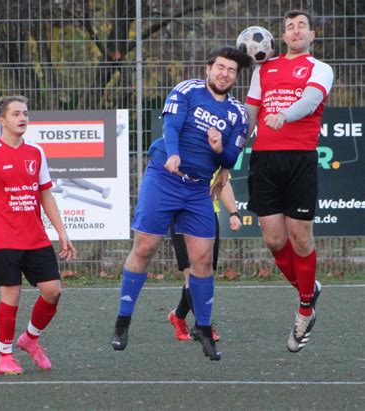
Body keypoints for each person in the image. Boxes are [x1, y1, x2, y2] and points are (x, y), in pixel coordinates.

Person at [110, 47, 252, 361]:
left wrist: (218, 148)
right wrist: (173, 153)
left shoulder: (239, 114)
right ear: (208, 68)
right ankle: (123, 320)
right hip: (164, 177)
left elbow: (230, 158)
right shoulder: (187, 90)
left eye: (231, 70)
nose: (225, 73)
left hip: (199, 189)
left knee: (202, 259)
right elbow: (171, 127)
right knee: (145, 247)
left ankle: (203, 327)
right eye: (220, 67)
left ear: (236, 77)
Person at [0, 95, 76, 375]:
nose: (22, 118)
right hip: (3, 239)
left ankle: (30, 339)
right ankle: (5, 357)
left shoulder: (36, 152)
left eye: (25, 113)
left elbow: (45, 194)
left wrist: (61, 232)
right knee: (10, 295)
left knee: (53, 291)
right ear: (2, 120)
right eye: (15, 114)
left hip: (35, 237)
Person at [244, 10, 334, 352]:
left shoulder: (320, 68)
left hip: (299, 158)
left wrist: (286, 113)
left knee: (300, 238)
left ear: (312, 35)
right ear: (281, 37)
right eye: (289, 27)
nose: (296, 31)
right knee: (273, 239)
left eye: (302, 26)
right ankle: (309, 289)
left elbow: (311, 100)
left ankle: (304, 312)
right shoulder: (263, 69)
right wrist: (228, 154)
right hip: (264, 159)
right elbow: (251, 116)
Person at [168, 174, 242, 342]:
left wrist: (234, 212)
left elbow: (223, 182)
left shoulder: (215, 154)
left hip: (208, 215)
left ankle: (178, 316)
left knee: (203, 274)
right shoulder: (177, 152)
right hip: (181, 214)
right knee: (190, 274)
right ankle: (203, 326)